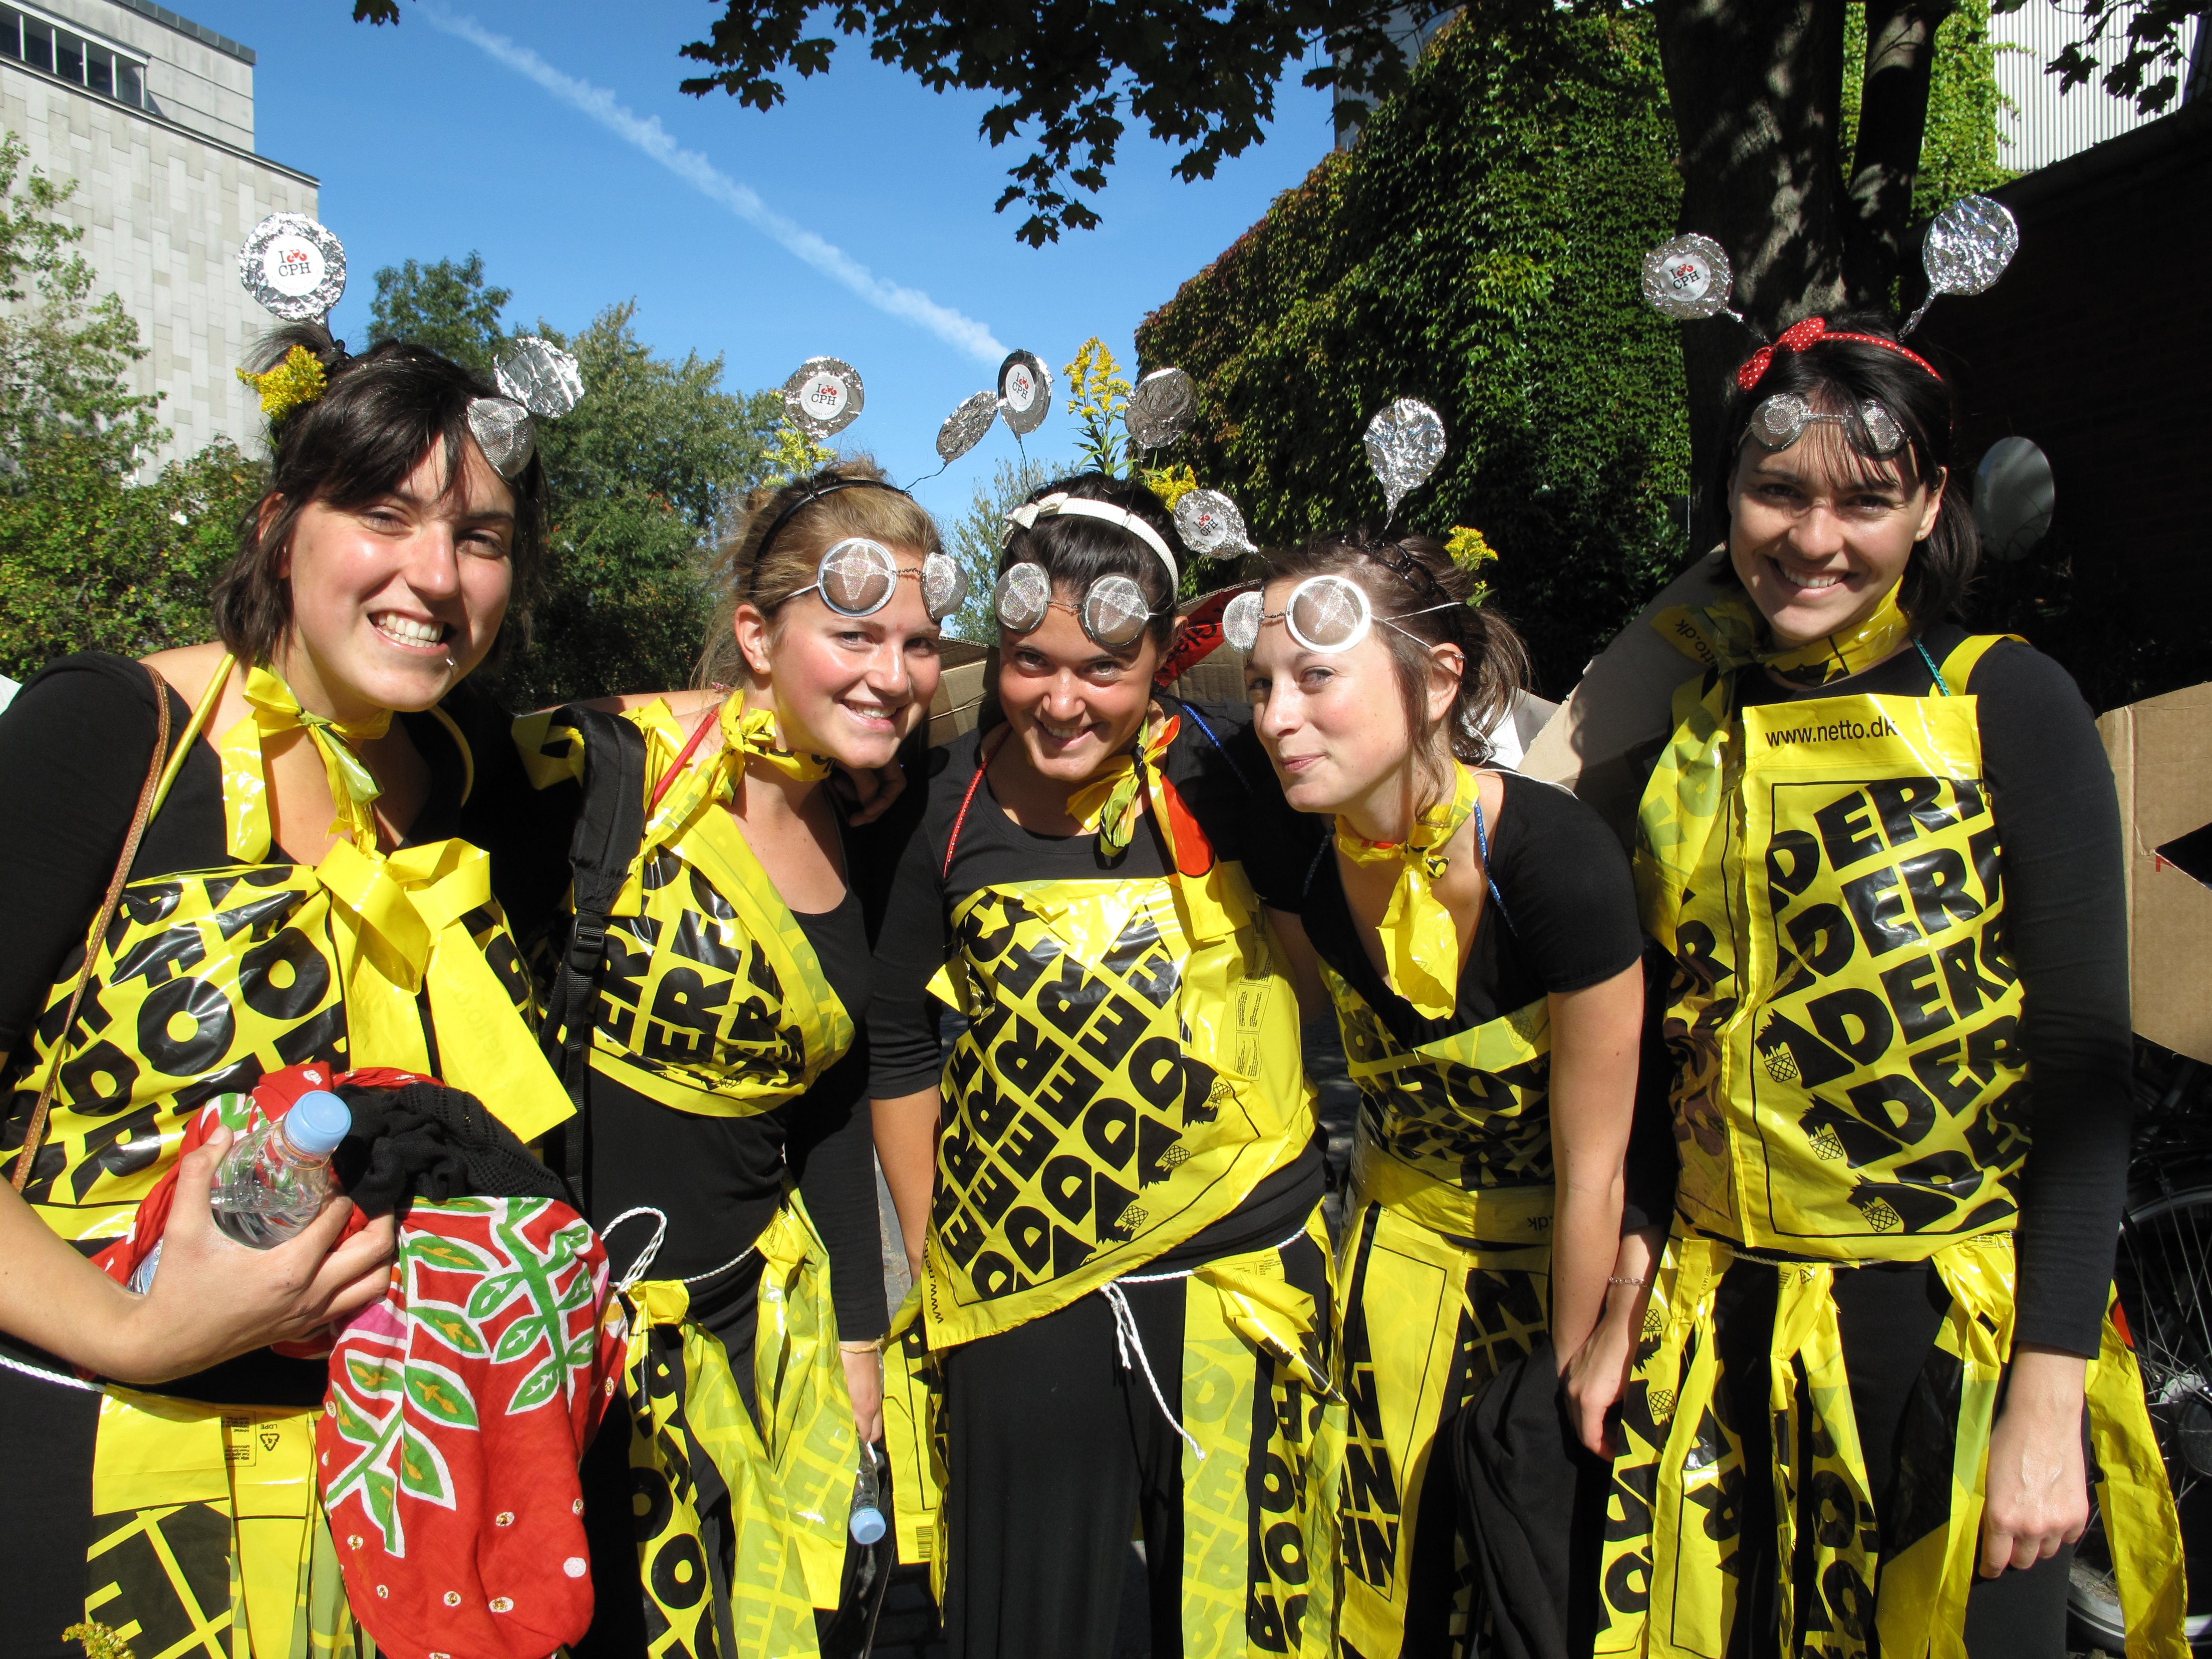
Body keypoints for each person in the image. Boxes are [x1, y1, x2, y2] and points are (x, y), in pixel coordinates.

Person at [1590, 313, 2183, 1658]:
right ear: (1727, 500)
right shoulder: (1694, 724)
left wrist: (2047, 1402)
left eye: (1865, 501)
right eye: (1776, 491)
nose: (1815, 539)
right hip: (1722, 1326)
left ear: (1929, 508)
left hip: (1945, 1338)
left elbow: (2084, 1068)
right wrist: (1628, 1300)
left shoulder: (2008, 701)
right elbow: (1670, 1045)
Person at [0, 322, 576, 1658]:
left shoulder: (461, 779)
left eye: (481, 538)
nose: (435, 575)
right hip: (102, 1474)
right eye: (384, 515)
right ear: (279, 531)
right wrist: (133, 1331)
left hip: (401, 1516)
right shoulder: (115, 734)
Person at [869, 474, 1333, 1659]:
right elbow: (898, 1038)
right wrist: (934, 1249)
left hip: (1237, 1270)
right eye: (1032, 663)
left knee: (1242, 1631)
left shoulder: (1233, 775)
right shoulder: (937, 806)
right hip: (1026, 1283)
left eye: (1103, 669)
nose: (1063, 701)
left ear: (1163, 659)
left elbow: (1325, 973)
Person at [512, 461, 950, 1657]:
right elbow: (415, 757)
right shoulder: (612, 774)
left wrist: (857, 1334)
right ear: (757, 635)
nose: (894, 675)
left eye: (918, 643)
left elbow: (831, 1108)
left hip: (763, 1332)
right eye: (855, 635)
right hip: (575, 1350)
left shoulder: (862, 816)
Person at [1236, 534, 1655, 1659]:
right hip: (1385, 1284)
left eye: (1316, 677)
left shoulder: (1555, 862)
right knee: (1382, 1598)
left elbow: (1599, 1171)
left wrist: (1560, 1409)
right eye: (1262, 685)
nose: (1277, 718)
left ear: (1436, 682)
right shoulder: (1304, 862)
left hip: (1559, 1289)